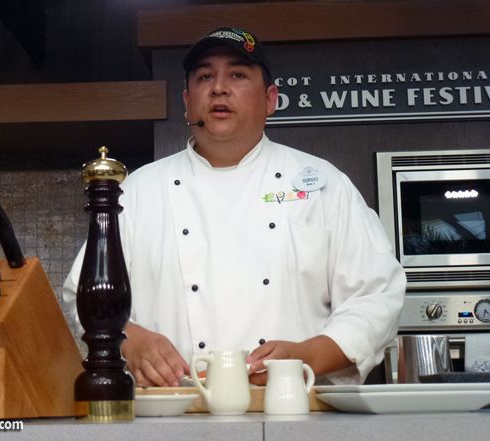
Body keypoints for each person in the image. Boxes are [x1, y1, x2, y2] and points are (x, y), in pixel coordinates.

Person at [63, 27, 406, 387]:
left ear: (270, 99)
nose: (219, 88)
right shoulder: (138, 191)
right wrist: (130, 341)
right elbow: (82, 295)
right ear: (187, 101)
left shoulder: (323, 184)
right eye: (205, 76)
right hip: (173, 412)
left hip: (296, 411)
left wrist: (307, 356)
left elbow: (377, 295)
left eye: (238, 74)